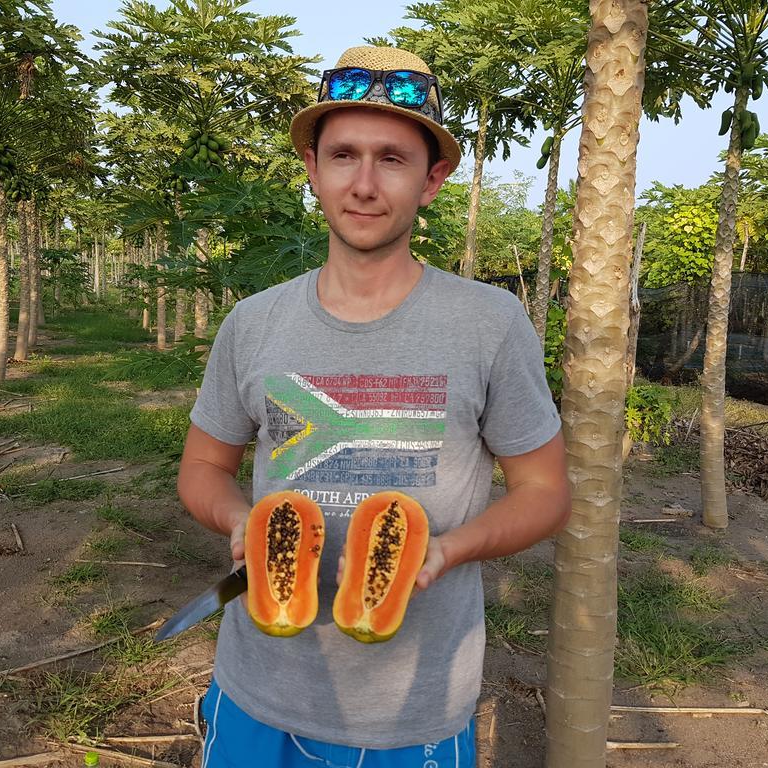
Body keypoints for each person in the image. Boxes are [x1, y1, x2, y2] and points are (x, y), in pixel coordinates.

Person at [177, 45, 571, 768]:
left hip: (411, 711)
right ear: (312, 169)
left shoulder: (490, 323)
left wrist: (450, 549)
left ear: (433, 179)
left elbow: (545, 492)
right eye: (343, 156)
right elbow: (203, 465)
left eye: (392, 159)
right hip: (254, 690)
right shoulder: (253, 322)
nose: (363, 184)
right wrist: (240, 521)